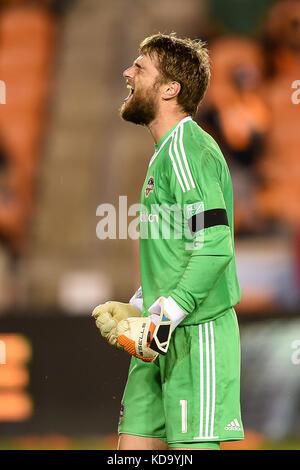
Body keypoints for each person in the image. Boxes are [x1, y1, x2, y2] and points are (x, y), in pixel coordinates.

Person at [92, 33, 244, 451]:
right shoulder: (165, 154)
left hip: (195, 337)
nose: (127, 73)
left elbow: (214, 248)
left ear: (169, 88)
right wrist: (141, 304)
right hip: (157, 339)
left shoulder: (188, 151)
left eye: (139, 68)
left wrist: (163, 318)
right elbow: (175, 249)